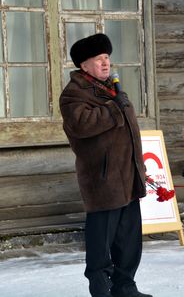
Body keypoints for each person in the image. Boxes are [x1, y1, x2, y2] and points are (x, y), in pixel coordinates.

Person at [59, 33, 152, 297]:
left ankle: (125, 285)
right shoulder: (73, 94)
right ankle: (101, 288)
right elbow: (82, 124)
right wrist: (113, 109)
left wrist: (140, 168)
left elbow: (130, 131)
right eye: (98, 59)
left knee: (129, 238)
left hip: (128, 175)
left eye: (107, 57)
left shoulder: (113, 88)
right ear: (83, 65)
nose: (105, 63)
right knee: (102, 241)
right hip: (102, 179)